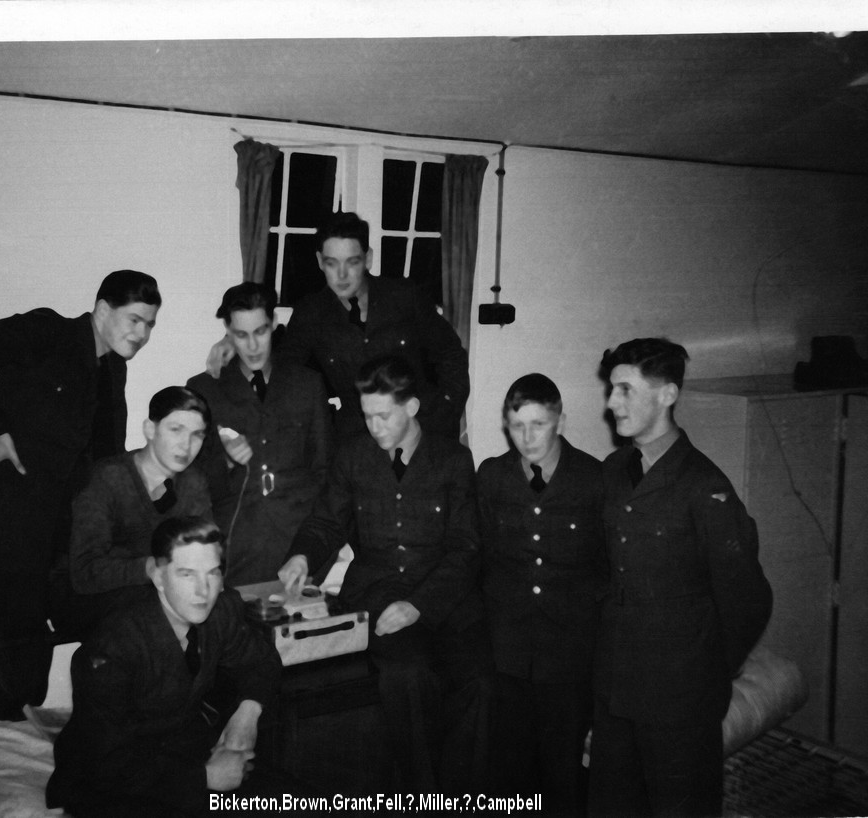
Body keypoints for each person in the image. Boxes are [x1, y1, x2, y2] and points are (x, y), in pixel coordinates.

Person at [0, 269, 161, 719]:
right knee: (9, 633)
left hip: (65, 529)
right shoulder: (47, 332)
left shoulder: (113, 367)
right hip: (13, 518)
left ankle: (35, 724)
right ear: (102, 310)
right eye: (134, 320)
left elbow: (105, 452)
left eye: (150, 325)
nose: (142, 334)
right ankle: (8, 729)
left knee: (43, 637)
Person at [278, 354, 493, 794]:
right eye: (366, 415)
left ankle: (462, 794)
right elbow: (326, 522)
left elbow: (466, 547)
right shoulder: (353, 456)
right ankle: (422, 794)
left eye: (383, 416)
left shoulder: (453, 460)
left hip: (445, 600)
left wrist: (419, 605)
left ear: (411, 407)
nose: (373, 427)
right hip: (378, 594)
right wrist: (301, 556)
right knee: (406, 676)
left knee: (481, 684)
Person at [588, 337, 773, 818]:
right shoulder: (613, 471)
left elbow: (748, 599)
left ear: (667, 394)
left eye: (626, 390)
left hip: (680, 702)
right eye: (612, 389)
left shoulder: (705, 487)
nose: (612, 403)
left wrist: (705, 674)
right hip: (616, 692)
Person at [46, 516, 282, 818]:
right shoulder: (114, 646)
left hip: (182, 753)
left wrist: (247, 715)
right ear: (158, 577)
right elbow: (105, 764)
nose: (203, 591)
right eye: (187, 574)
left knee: (295, 801)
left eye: (212, 573)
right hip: (112, 784)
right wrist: (206, 777)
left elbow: (262, 661)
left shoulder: (219, 611)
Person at [206, 212, 470, 440]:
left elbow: (451, 355)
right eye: (332, 263)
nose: (341, 275)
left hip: (420, 431)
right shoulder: (311, 313)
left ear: (368, 259)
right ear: (320, 261)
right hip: (357, 442)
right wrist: (234, 340)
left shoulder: (404, 297)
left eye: (351, 262)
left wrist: (443, 415)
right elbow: (282, 366)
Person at [476, 374, 605, 813]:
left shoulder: (594, 479)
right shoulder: (492, 476)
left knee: (562, 776)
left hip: (569, 655)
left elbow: (605, 571)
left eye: (539, 425)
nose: (527, 438)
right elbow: (482, 560)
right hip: (507, 652)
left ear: (561, 422)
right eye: (517, 426)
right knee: (508, 776)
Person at [186, 282, 333, 586]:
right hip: (235, 542)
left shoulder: (307, 384)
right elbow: (193, 481)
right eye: (241, 335)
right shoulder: (205, 388)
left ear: (274, 323)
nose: (253, 346)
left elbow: (324, 472)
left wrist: (313, 547)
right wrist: (226, 462)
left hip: (298, 543)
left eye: (260, 332)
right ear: (228, 332)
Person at [55, 386, 216, 638]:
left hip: (159, 592)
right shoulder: (108, 478)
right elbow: (83, 572)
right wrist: (148, 568)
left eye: (196, 435)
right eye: (176, 430)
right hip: (93, 599)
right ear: (150, 430)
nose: (186, 445)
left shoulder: (193, 482)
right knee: (155, 614)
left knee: (226, 606)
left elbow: (204, 549)